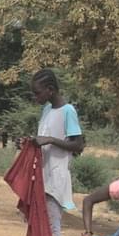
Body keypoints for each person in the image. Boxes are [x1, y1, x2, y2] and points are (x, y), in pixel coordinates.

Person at [31, 69, 85, 217]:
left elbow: (78, 145)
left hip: (56, 176)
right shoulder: (47, 109)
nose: (36, 97)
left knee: (52, 226)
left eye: (38, 93)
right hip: (42, 174)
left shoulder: (68, 111)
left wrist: (51, 140)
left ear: (50, 90)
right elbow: (43, 139)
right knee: (39, 222)